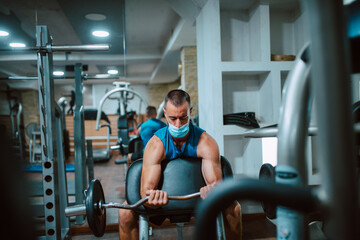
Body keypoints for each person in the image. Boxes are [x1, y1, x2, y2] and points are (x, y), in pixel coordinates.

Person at [119, 89, 242, 240]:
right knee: (125, 213)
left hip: (198, 200)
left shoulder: (206, 143)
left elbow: (215, 186)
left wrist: (212, 190)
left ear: (190, 112)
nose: (178, 124)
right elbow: (146, 193)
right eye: (173, 118)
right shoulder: (155, 145)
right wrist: (153, 199)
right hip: (163, 203)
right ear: (164, 113)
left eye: (183, 118)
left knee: (234, 208)